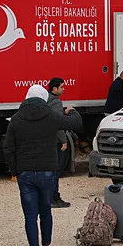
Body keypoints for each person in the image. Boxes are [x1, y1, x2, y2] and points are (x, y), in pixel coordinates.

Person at [3, 84, 82, 246]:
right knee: (46, 211)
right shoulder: (51, 116)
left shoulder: (16, 119)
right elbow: (74, 124)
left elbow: (8, 148)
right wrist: (72, 111)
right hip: (47, 170)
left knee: (30, 215)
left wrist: (15, 170)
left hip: (25, 172)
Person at [47, 77, 71, 209]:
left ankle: (50, 196)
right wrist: (63, 140)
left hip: (47, 139)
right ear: (54, 89)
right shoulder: (56, 102)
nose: (63, 89)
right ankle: (54, 197)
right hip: (56, 140)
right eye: (61, 87)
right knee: (56, 171)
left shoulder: (46, 99)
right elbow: (57, 122)